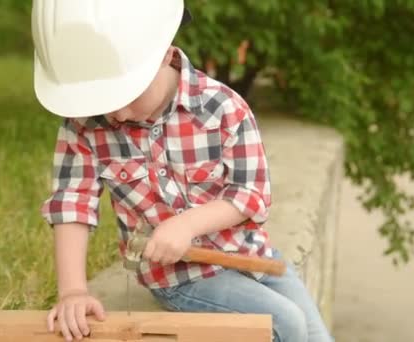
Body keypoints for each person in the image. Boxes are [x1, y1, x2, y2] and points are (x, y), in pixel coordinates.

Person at [31, 1, 333, 341]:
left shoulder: (223, 108)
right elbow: (72, 201)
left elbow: (250, 194)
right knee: (284, 322)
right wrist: (72, 290)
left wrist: (186, 224)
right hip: (181, 277)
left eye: (127, 94)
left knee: (316, 336)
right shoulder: (85, 125)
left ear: (164, 55)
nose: (116, 112)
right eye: (102, 99)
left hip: (252, 256)